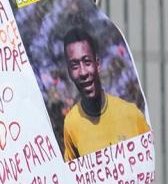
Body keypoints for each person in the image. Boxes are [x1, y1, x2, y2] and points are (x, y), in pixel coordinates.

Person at [61, 27, 150, 161]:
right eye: (75, 66)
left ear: (97, 65)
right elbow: (72, 178)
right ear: (69, 72)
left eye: (87, 62)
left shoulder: (132, 114)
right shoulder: (71, 124)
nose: (83, 72)